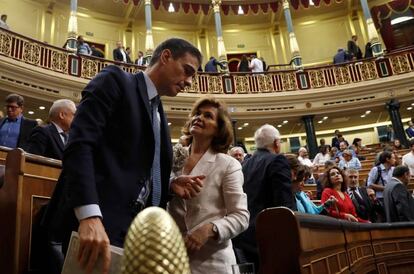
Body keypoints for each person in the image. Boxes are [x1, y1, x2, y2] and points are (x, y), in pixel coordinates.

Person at [43, 38, 204, 274]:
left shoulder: (158, 111)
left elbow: (130, 163)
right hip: (95, 226)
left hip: (135, 234)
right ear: (166, 57)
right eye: (187, 71)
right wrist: (89, 216)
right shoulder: (115, 80)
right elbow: (79, 146)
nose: (189, 82)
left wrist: (168, 185)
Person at [168, 97, 249, 274]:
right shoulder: (171, 158)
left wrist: (210, 229)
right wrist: (171, 185)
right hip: (172, 258)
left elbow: (241, 216)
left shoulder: (228, 164)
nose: (199, 118)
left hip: (213, 262)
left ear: (218, 129)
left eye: (208, 116)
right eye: (197, 114)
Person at [233, 124, 295, 270]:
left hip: (245, 236)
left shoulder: (244, 165)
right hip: (269, 237)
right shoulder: (277, 160)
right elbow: (284, 206)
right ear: (276, 143)